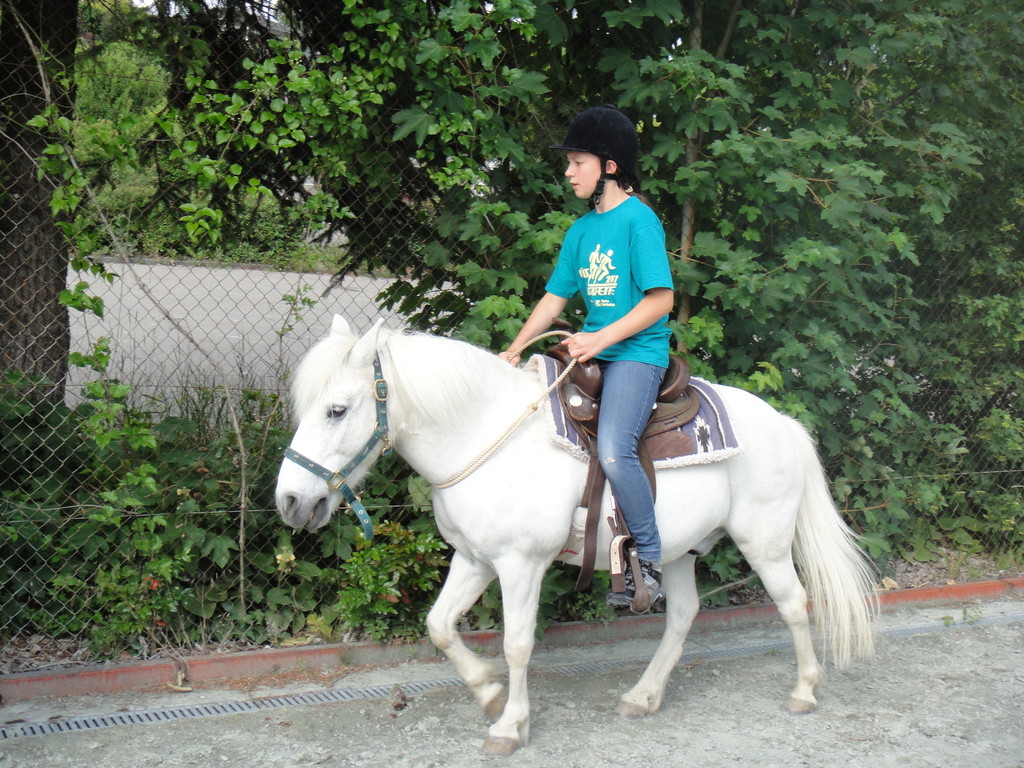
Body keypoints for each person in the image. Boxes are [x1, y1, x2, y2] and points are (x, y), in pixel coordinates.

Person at [499, 105, 674, 609]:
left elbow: (660, 300)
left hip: (636, 355)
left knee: (616, 448)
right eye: (569, 163)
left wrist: (600, 340)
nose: (569, 172)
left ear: (610, 167)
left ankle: (650, 560)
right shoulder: (580, 232)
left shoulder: (639, 221)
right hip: (592, 350)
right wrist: (513, 349)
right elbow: (555, 298)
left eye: (578, 162)